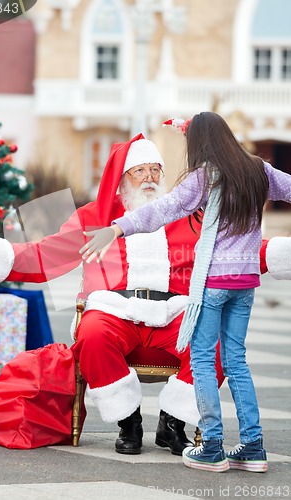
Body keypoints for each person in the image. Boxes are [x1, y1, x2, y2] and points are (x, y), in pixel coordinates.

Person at [0, 133, 288, 458]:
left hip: (173, 313)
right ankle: (127, 421)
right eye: (139, 171)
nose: (149, 177)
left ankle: (172, 423)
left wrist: (280, 252)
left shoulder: (185, 214)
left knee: (213, 343)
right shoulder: (94, 217)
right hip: (113, 311)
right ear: (123, 178)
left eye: (155, 170)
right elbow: (47, 253)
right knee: (92, 333)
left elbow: (232, 251)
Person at [80, 113, 291, 472]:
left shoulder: (205, 176)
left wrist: (117, 228)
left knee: (203, 361)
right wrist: (193, 126)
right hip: (245, 285)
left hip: (212, 284)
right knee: (236, 362)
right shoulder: (258, 170)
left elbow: (165, 208)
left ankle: (210, 445)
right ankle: (253, 447)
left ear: (201, 145)